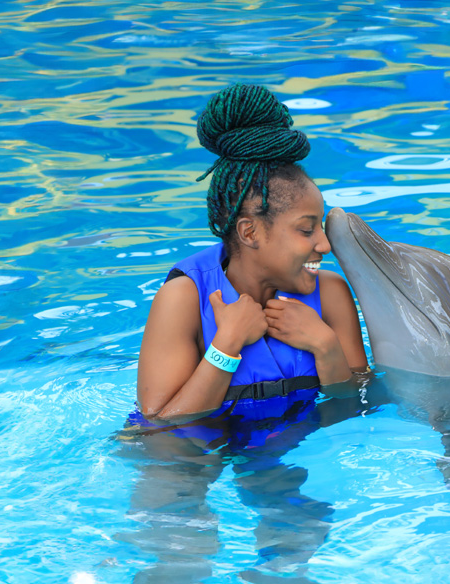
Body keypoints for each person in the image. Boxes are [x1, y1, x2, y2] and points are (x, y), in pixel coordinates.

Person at [118, 83, 370, 584]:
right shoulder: (185, 297)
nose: (324, 243)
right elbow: (163, 425)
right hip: (189, 448)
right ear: (251, 231)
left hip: (283, 436)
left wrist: (323, 346)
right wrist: (225, 346)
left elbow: (356, 400)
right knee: (180, 552)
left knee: (298, 540)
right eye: (307, 228)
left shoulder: (330, 296)